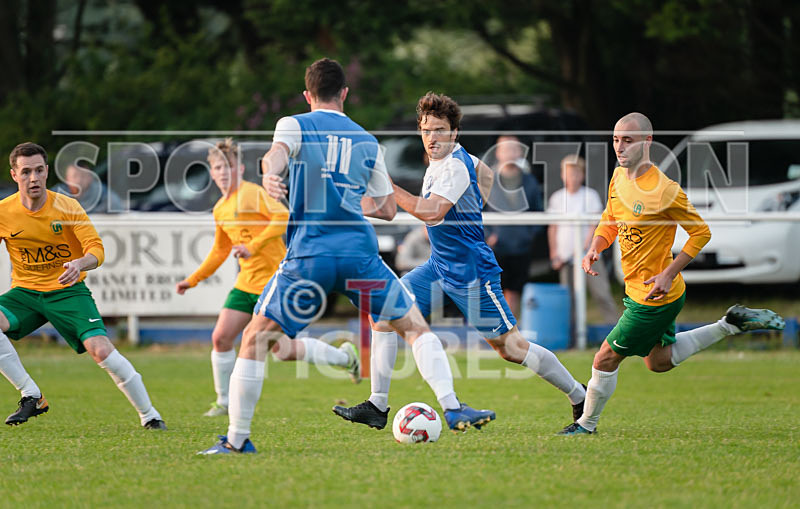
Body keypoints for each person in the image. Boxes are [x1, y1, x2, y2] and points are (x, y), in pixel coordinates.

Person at [198, 59, 494, 455]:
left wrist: (270, 174)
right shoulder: (368, 141)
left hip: (309, 255)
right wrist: (350, 200)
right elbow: (388, 210)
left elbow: (276, 155)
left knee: (254, 339)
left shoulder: (294, 123)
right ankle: (453, 407)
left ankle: (236, 440)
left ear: (307, 95)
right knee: (415, 328)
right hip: (360, 255)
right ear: (345, 94)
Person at [333, 92, 586, 432]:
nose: (432, 137)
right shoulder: (446, 161)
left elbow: (432, 211)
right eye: (426, 130)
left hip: (471, 272)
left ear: (454, 132)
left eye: (439, 130)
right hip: (439, 266)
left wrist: (390, 189)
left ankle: (579, 394)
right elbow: (485, 175)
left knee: (512, 348)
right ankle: (377, 405)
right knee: (383, 312)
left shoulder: (452, 166)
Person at [559, 113, 785, 436]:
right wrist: (597, 244)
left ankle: (586, 425)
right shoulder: (619, 177)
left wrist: (667, 273)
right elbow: (610, 217)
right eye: (615, 140)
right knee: (659, 361)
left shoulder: (664, 190)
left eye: (628, 140)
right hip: (643, 290)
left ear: (647, 142)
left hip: (654, 296)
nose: (619, 147)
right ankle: (730, 324)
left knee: (605, 358)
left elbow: (701, 234)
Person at [176, 138, 361, 418]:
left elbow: (282, 217)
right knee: (221, 337)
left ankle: (345, 358)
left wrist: (252, 246)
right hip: (245, 284)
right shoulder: (220, 208)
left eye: (229, 166)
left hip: (275, 283)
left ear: (240, 169)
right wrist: (193, 279)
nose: (224, 172)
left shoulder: (252, 193)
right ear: (211, 172)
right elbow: (220, 249)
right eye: (217, 167)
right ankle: (223, 401)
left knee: (283, 351)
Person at [0, 142, 166, 429]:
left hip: (68, 291)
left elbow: (96, 249)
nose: (34, 178)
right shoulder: (4, 212)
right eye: (26, 172)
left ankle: (150, 415)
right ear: (14, 175)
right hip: (26, 292)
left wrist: (79, 263)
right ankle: (32, 395)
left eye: (39, 170)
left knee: (100, 350)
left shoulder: (66, 206)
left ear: (47, 171)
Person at [547, 155, 619, 333]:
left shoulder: (590, 196)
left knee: (601, 293)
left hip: (589, 256)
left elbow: (595, 226)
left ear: (582, 175)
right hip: (565, 258)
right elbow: (553, 227)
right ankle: (571, 335)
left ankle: (619, 334)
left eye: (576, 173)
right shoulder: (557, 198)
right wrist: (554, 253)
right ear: (563, 176)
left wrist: (585, 248)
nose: (572, 177)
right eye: (569, 173)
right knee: (568, 299)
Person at [484, 135, 544, 317]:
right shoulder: (488, 180)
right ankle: (496, 328)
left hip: (520, 246)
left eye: (513, 148)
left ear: (519, 152)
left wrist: (528, 234)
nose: (509, 153)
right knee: (495, 289)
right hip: (496, 247)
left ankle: (511, 328)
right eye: (505, 149)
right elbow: (478, 211)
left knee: (515, 289)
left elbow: (538, 211)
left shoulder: (529, 181)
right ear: (498, 152)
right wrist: (488, 236)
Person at [52, 162, 124, 214]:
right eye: (74, 176)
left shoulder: (101, 192)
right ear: (67, 178)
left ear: (90, 178)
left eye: (83, 176)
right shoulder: (58, 192)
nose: (79, 180)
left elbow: (116, 206)